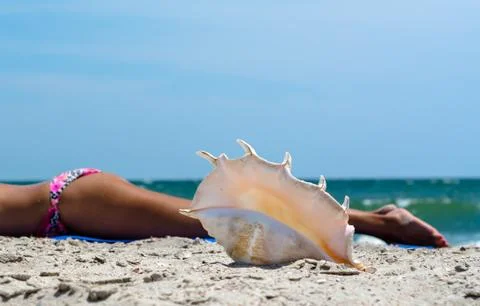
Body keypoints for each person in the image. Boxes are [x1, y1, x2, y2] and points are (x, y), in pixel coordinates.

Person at [0, 168, 449, 247]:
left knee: (217, 220)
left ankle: (379, 222)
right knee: (216, 221)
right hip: (73, 203)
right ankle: (376, 222)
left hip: (69, 203)